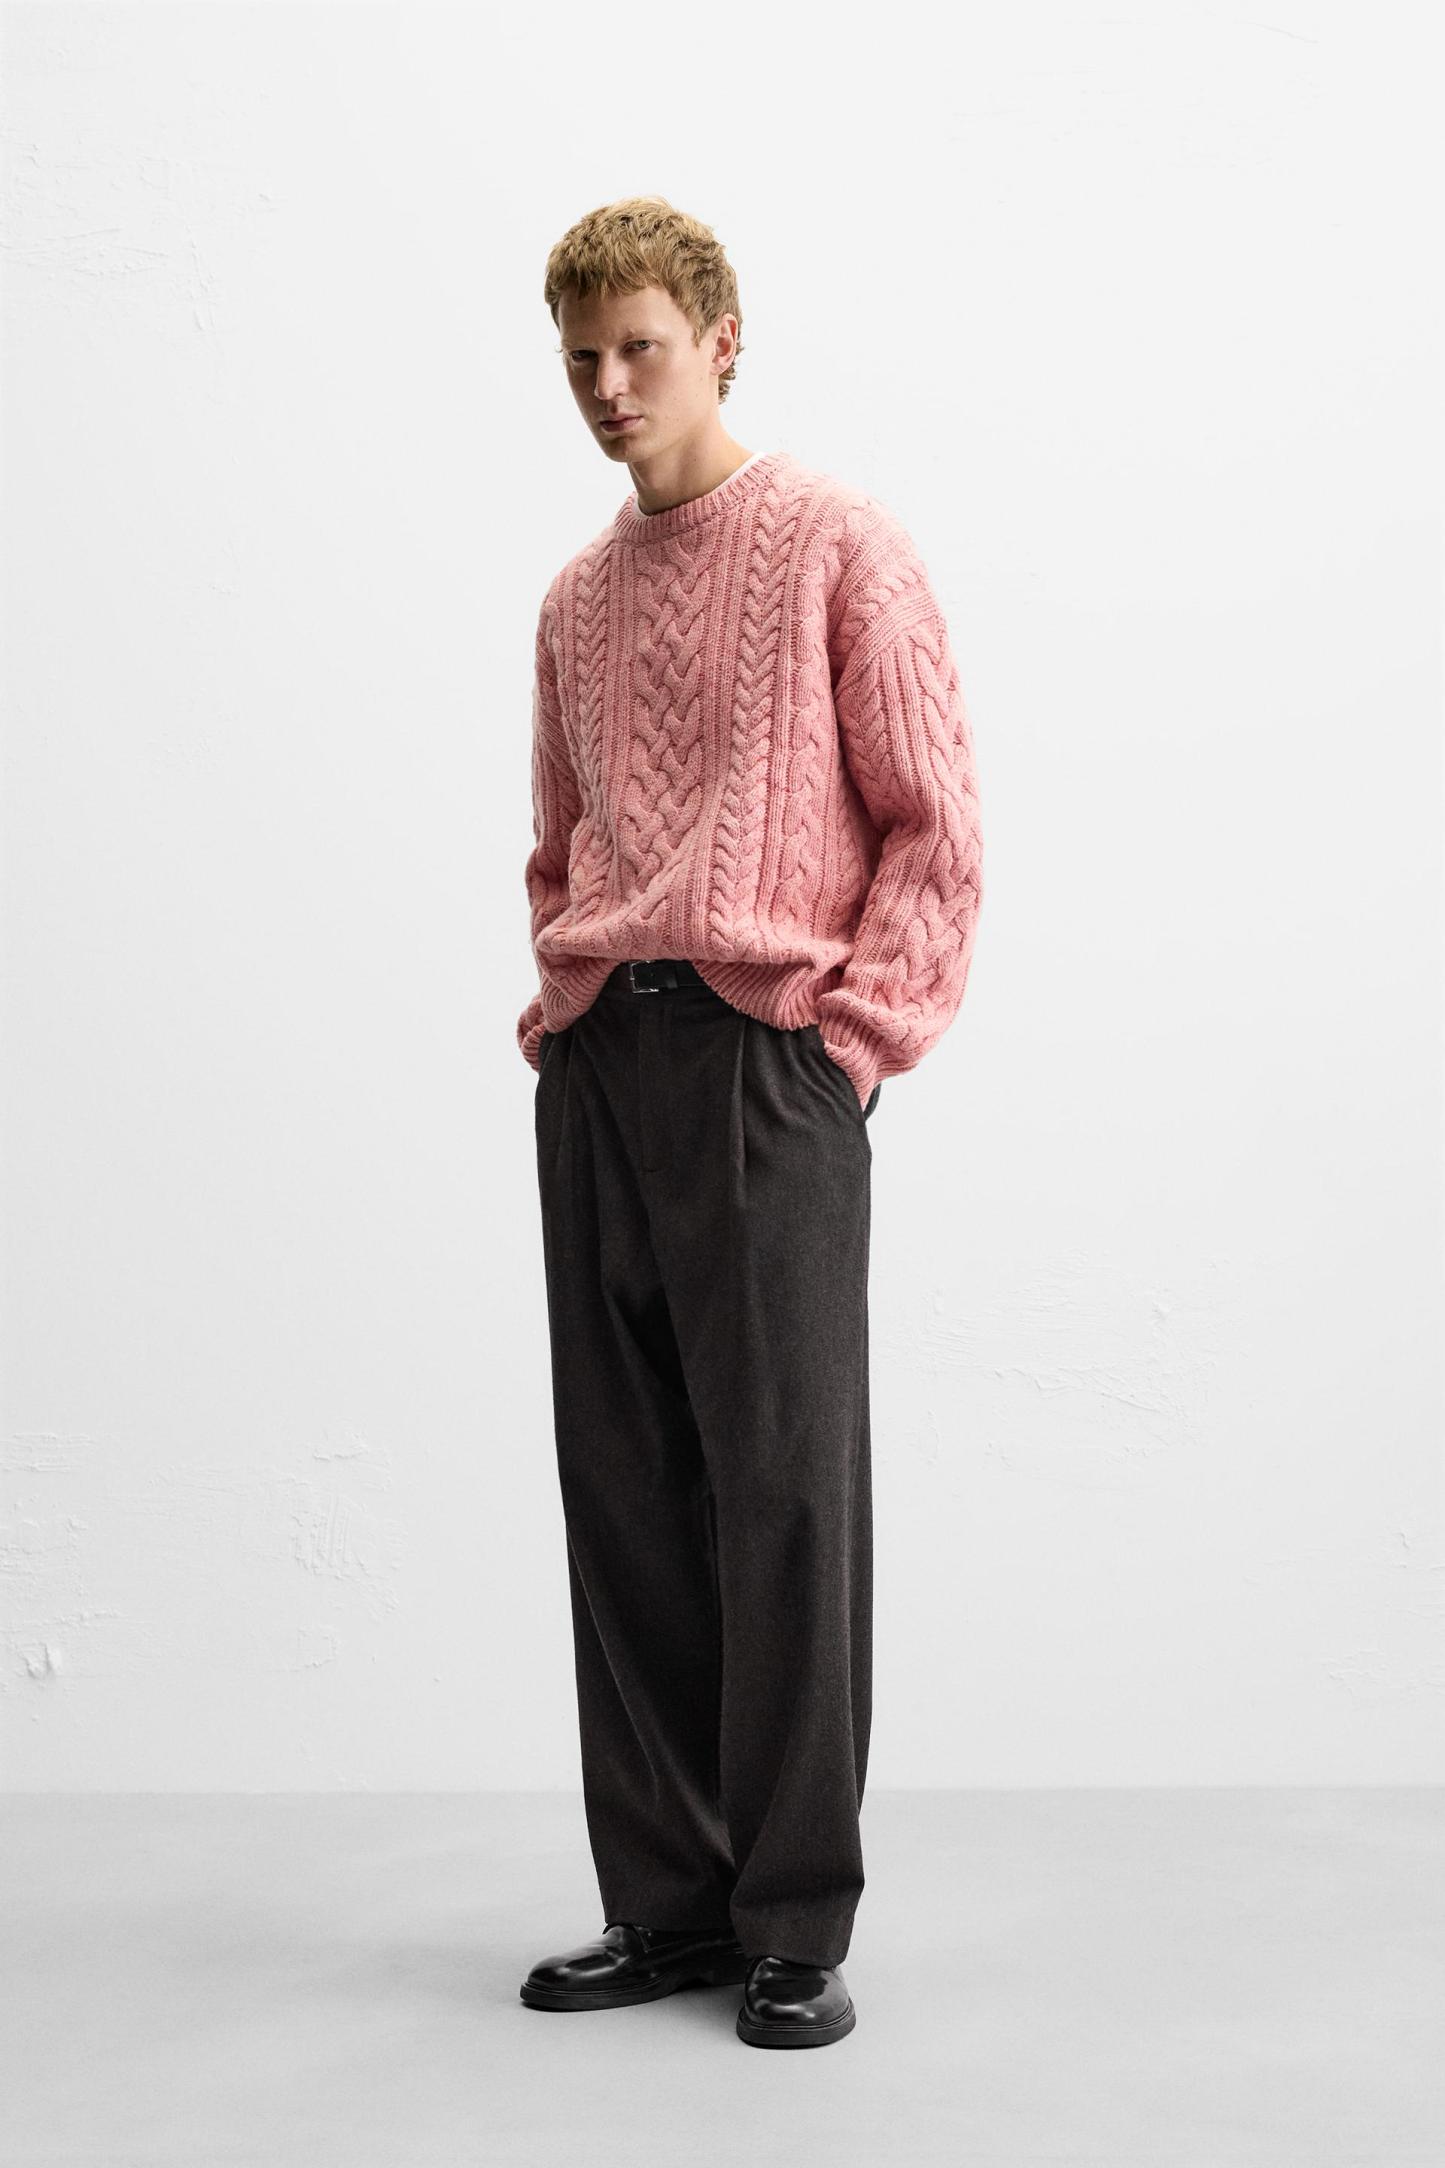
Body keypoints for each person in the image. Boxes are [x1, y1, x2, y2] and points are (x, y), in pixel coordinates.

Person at [515, 196, 984, 2050]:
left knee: (780, 1490)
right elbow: (557, 846)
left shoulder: (833, 543)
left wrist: (850, 1049)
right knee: (624, 1484)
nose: (607, 386)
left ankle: (794, 1918)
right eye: (579, 357)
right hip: (601, 1066)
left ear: (720, 340)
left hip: (763, 1059)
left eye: (638, 347)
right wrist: (561, 1015)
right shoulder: (571, 601)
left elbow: (934, 822)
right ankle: (668, 1904)